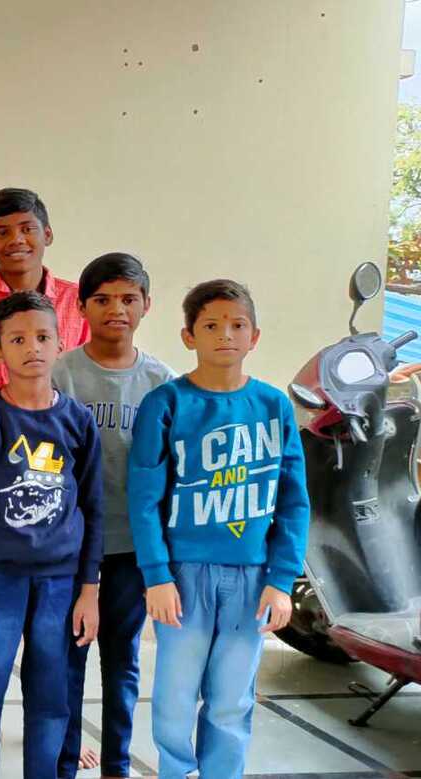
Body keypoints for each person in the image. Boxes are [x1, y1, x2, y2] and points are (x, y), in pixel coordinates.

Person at [128, 280, 308, 779]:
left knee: (232, 699)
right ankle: (176, 771)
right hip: (183, 578)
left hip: (252, 578)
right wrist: (157, 577)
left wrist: (282, 579)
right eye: (210, 325)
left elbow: (294, 500)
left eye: (237, 325)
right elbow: (144, 499)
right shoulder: (166, 403)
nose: (225, 335)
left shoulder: (273, 405)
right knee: (175, 697)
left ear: (255, 336)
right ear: (189, 336)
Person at [0, 291, 102, 779]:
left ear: (60, 342)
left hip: (61, 584)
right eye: (17, 339)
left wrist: (89, 591)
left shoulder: (77, 421)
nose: (32, 347)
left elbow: (94, 510)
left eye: (42, 337)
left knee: (51, 700)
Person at [51, 253, 176, 779]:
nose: (116, 309)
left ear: (147, 305)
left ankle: (117, 765)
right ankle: (64, 760)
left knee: (122, 658)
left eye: (128, 299)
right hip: (69, 546)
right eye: (102, 299)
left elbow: (171, 468)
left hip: (131, 547)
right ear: (81, 307)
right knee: (67, 659)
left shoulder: (161, 382)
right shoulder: (61, 372)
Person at [0, 188, 89, 401]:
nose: (17, 240)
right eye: (3, 233)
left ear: (47, 235)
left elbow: (91, 375)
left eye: (27, 229)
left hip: (65, 421)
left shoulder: (79, 301)